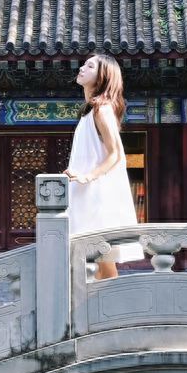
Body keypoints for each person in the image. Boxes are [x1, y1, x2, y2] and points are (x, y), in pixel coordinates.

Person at [66, 53, 141, 280]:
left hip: (96, 195)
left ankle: (118, 311)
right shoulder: (90, 111)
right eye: (83, 64)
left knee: (101, 260)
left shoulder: (102, 109)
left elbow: (116, 153)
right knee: (98, 263)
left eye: (89, 66)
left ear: (101, 78)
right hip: (87, 193)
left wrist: (88, 177)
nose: (81, 68)